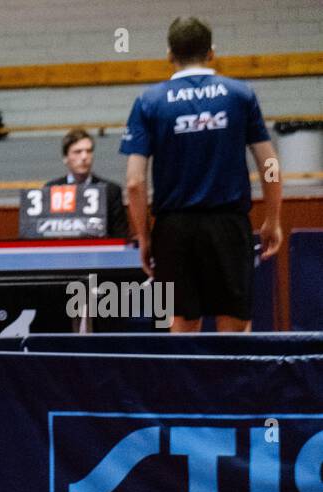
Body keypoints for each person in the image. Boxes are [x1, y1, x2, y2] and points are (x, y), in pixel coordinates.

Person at [121, 17, 282, 333]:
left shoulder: (148, 101)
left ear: (169, 54)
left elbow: (134, 183)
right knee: (235, 330)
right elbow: (270, 165)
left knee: (182, 327)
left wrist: (144, 235)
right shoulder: (241, 95)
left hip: (174, 231)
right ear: (211, 52)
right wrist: (273, 219)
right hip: (229, 226)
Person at [46, 128, 128, 239]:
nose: (84, 157)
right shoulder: (51, 189)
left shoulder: (111, 191)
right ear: (65, 158)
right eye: (78, 152)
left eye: (88, 151)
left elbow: (120, 235)